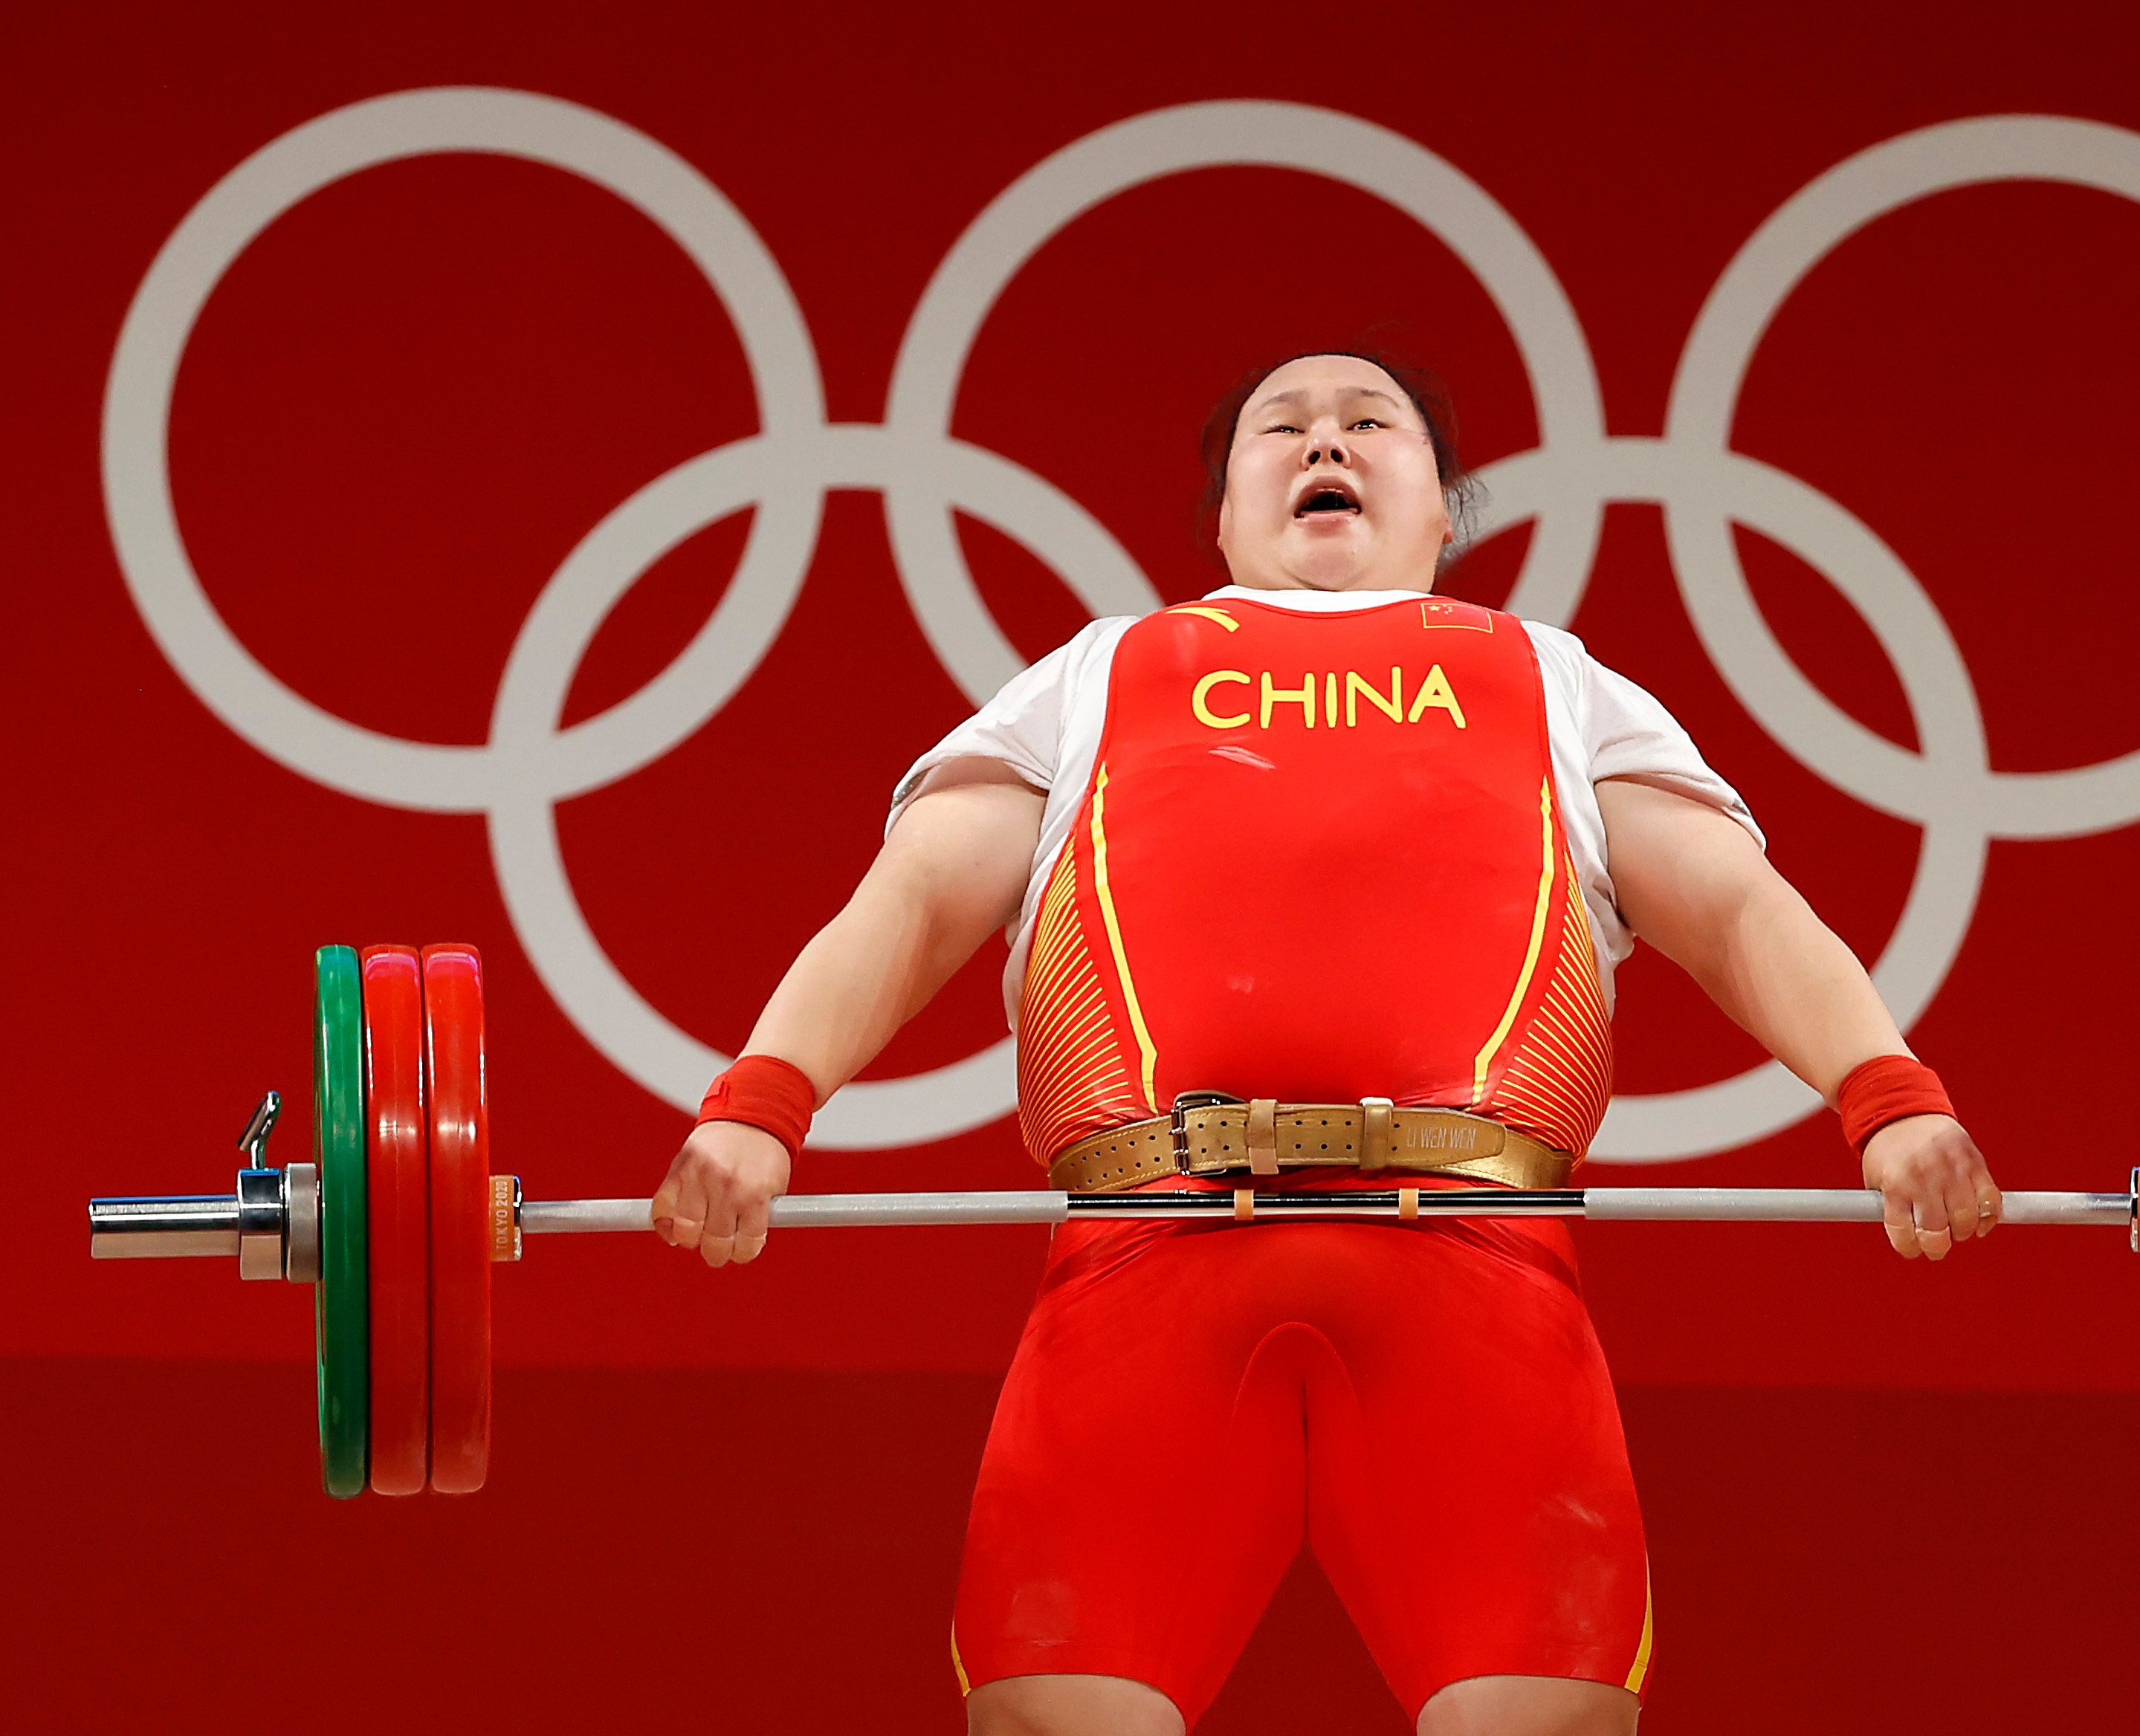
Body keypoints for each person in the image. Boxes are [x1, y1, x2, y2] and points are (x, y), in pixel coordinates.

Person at [652, 352, 2002, 1736]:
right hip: (1143, 1267)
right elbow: (918, 900)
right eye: (1279, 430)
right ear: (1226, 520)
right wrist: (759, 1106)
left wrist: (1886, 1099)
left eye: (1371, 424)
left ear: (1442, 511)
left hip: (1477, 1280)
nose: (1325, 444)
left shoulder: (1552, 678)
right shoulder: (1099, 673)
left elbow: (1732, 911)